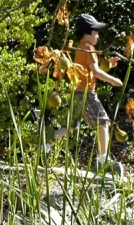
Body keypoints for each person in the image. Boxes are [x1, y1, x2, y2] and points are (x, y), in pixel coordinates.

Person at [52, 13, 124, 170]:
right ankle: (103, 160)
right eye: (95, 32)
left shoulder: (81, 48)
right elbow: (96, 71)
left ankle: (44, 144)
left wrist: (109, 64)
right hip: (86, 93)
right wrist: (113, 80)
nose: (97, 35)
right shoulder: (88, 48)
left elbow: (90, 69)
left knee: (71, 126)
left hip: (77, 91)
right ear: (87, 33)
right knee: (103, 122)